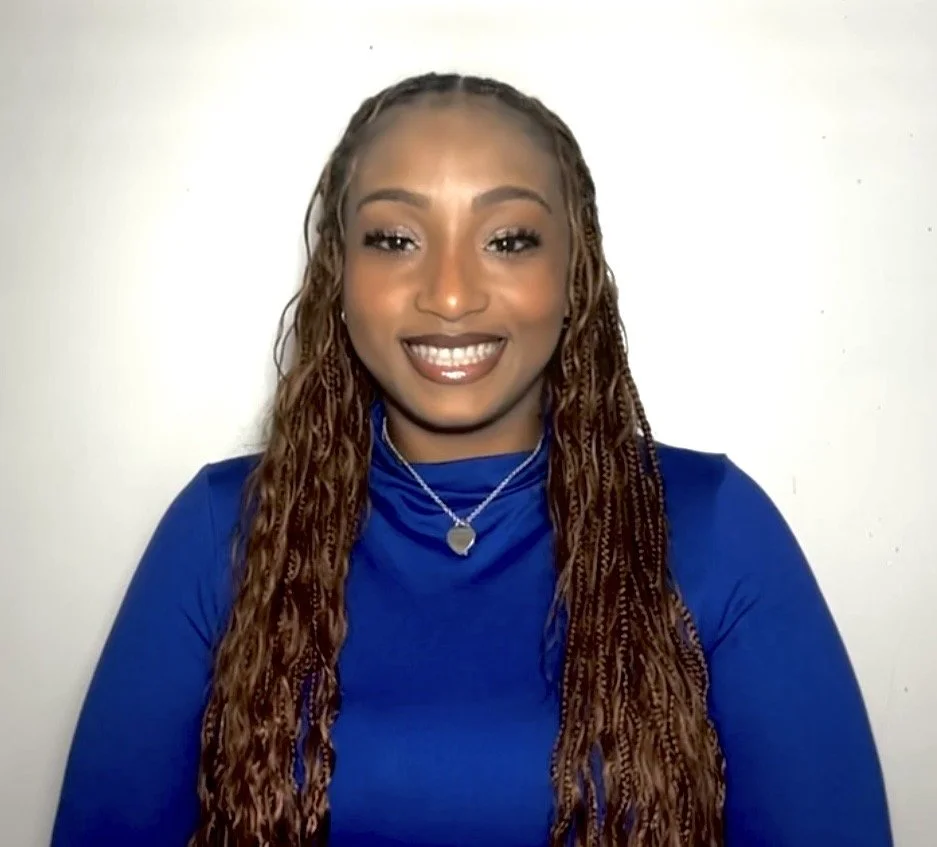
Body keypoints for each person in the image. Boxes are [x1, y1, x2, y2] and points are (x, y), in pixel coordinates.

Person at [51, 72, 892, 847]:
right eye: (393, 237)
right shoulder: (221, 530)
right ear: (338, 276)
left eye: (509, 238)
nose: (449, 295)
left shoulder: (712, 527)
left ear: (576, 275)